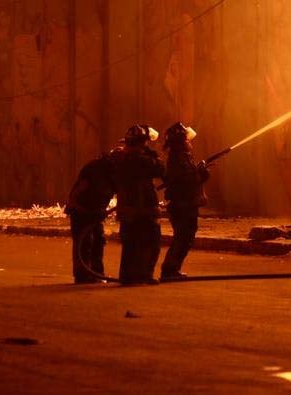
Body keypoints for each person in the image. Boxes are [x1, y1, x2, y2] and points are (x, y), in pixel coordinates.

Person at [111, 124, 165, 285]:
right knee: (151, 242)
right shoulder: (139, 160)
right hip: (143, 209)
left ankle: (129, 276)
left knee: (131, 244)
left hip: (129, 209)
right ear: (142, 143)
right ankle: (143, 274)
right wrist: (152, 155)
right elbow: (161, 169)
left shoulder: (121, 158)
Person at [160, 122, 210, 281]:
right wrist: (200, 174)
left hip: (187, 205)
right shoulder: (177, 160)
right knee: (182, 238)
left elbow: (190, 178)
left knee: (185, 238)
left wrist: (200, 172)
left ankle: (173, 269)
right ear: (180, 143)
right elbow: (184, 181)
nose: (190, 142)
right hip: (182, 206)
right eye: (187, 140)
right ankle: (169, 270)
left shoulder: (183, 159)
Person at [64, 151, 116, 283]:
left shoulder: (114, 173)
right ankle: (82, 275)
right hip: (81, 210)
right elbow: (78, 192)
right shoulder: (94, 170)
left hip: (96, 211)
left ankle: (97, 273)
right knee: (84, 242)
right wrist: (77, 207)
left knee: (98, 240)